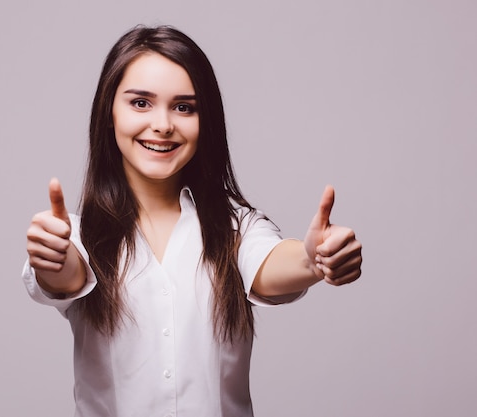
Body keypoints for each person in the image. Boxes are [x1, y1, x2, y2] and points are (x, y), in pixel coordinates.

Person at [23, 25, 362, 417]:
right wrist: (51, 256)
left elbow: (270, 263)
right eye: (140, 103)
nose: (163, 124)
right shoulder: (79, 236)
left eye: (184, 107)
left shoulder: (237, 227)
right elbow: (66, 275)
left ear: (207, 122)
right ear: (108, 114)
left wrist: (312, 260)